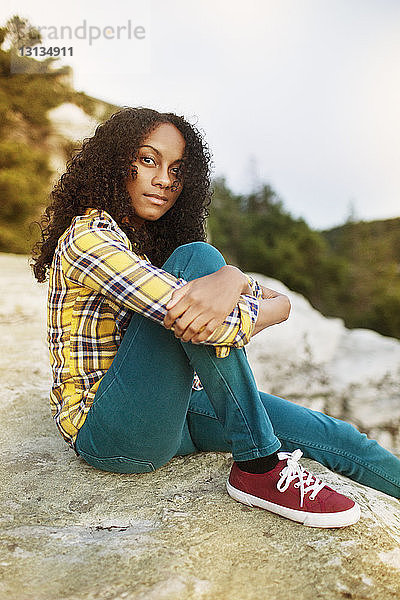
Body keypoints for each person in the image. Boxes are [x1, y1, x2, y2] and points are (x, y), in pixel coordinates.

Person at [31, 107, 400, 529]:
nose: (165, 179)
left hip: (171, 408)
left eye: (177, 169)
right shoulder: (89, 238)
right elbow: (213, 323)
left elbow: (237, 305)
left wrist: (233, 279)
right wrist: (249, 294)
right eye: (149, 160)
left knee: (339, 439)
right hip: (110, 431)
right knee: (199, 257)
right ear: (116, 164)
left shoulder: (147, 243)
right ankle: (259, 467)